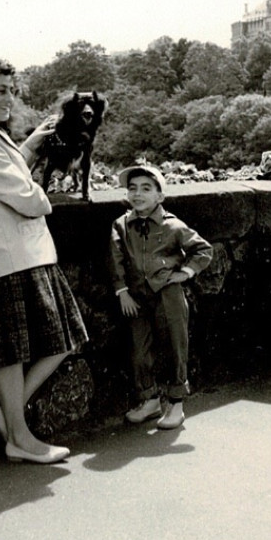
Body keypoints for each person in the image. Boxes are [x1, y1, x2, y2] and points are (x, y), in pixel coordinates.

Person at [0, 57, 88, 464]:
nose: (10, 98)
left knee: (61, 339)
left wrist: (30, 146)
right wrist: (42, 196)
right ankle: (19, 438)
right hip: (8, 255)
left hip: (26, 253)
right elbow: (27, 197)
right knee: (13, 353)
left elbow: (9, 175)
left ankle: (4, 416)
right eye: (1, 91)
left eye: (12, 90)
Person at [109, 163, 213, 430]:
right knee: (139, 351)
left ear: (160, 196)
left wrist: (186, 272)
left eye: (146, 188)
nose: (138, 194)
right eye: (132, 189)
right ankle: (150, 399)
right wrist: (122, 291)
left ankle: (176, 404)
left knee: (175, 346)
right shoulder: (121, 225)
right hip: (136, 298)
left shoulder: (173, 226)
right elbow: (115, 260)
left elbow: (203, 249)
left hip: (168, 296)